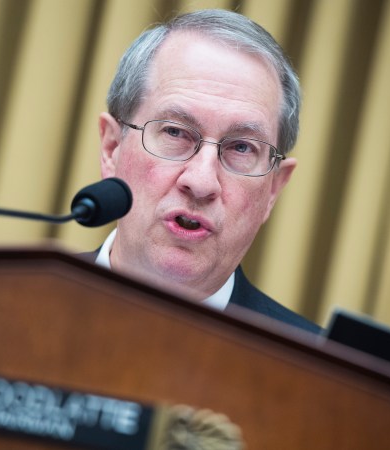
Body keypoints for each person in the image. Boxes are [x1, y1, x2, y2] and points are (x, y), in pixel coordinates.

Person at [90, 9, 320, 334]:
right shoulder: (3, 305)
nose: (200, 182)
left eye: (242, 148)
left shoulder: (319, 374)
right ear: (112, 148)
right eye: (175, 132)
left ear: (273, 189)